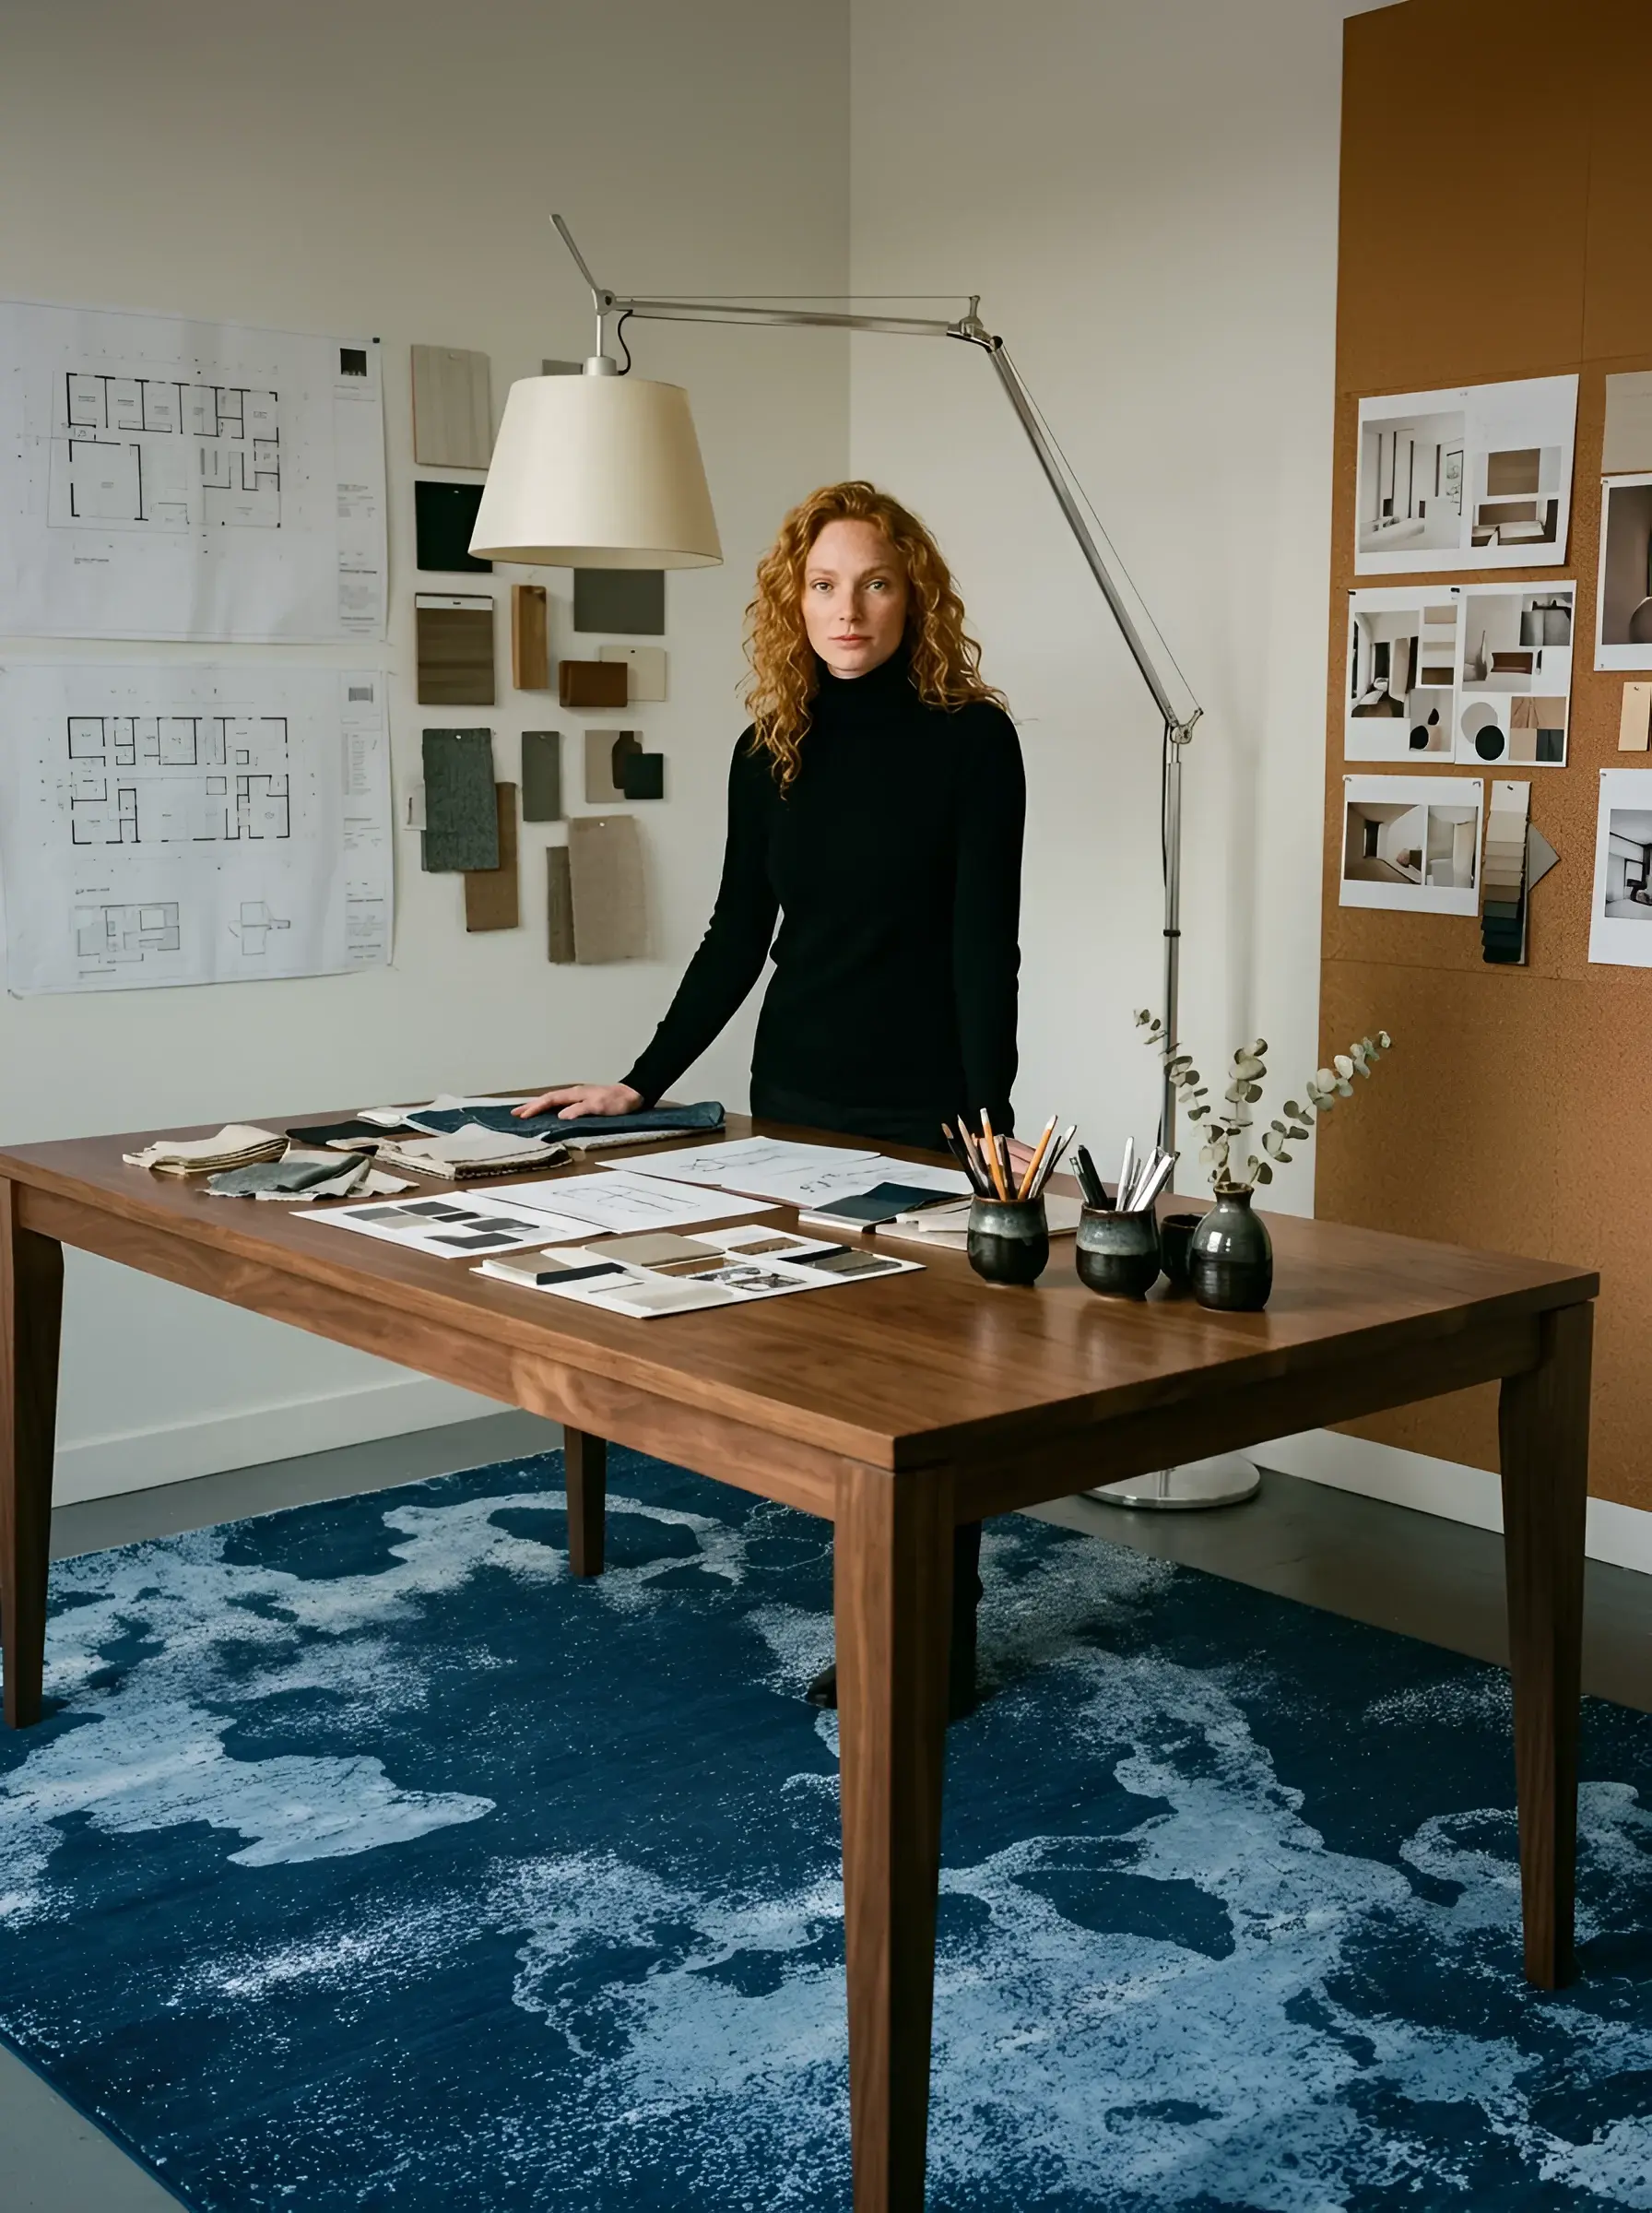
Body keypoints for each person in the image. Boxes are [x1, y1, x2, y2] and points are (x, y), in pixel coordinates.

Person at [515, 479, 1026, 1717]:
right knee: (822, 1380)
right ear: (792, 601)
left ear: (919, 595)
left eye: (877, 583)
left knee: (927, 1394)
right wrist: (642, 1080)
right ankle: (868, 1605)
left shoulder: (973, 739)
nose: (849, 610)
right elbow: (738, 936)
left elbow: (982, 946)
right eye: (824, 585)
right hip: (793, 1091)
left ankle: (934, 1646)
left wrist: (986, 1117)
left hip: (922, 1106)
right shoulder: (771, 747)